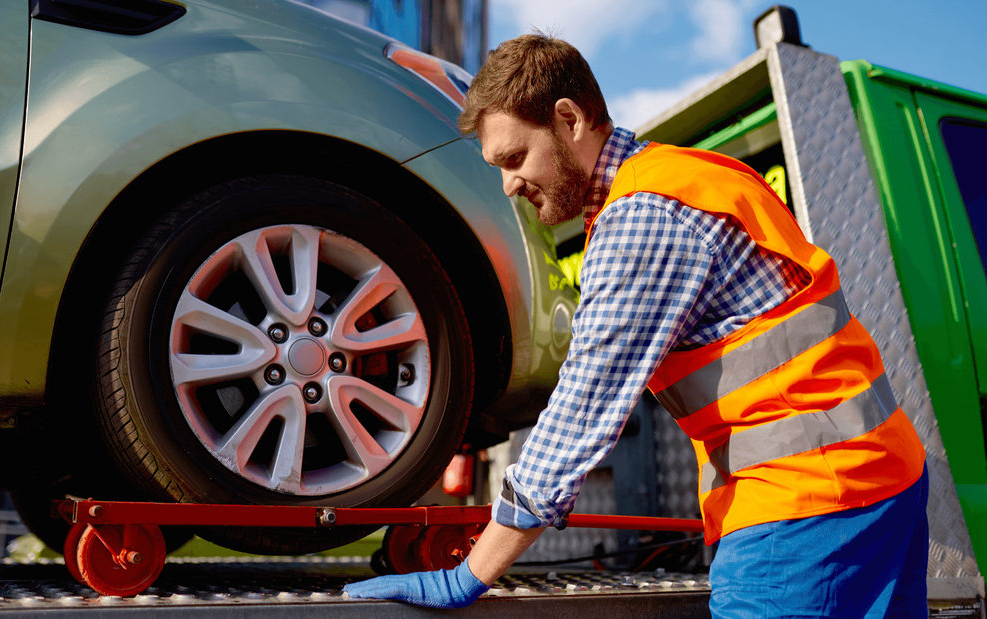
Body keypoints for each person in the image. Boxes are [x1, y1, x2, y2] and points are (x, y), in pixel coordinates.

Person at [344, 33, 928, 618]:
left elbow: (583, 410)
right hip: (883, 478)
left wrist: (469, 574)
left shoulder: (641, 220)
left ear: (568, 119)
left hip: (807, 505)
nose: (509, 185)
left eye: (515, 158)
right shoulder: (683, 175)